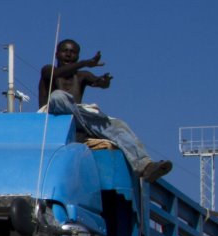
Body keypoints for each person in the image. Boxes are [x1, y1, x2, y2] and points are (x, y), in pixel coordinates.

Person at [41, 38, 172, 182]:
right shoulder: (48, 70)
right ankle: (86, 125)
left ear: (77, 56)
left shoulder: (82, 75)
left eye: (73, 52)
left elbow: (99, 83)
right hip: (54, 117)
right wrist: (85, 63)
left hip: (80, 120)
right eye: (65, 51)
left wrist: (104, 82)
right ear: (57, 54)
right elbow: (57, 74)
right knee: (58, 96)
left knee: (118, 125)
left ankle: (145, 165)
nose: (68, 54)